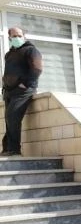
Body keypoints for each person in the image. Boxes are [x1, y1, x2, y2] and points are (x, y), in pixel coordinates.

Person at [2, 27, 43, 156]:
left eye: (19, 35)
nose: (17, 38)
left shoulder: (31, 50)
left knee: (12, 117)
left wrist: (25, 84)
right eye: (14, 36)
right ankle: (7, 148)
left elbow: (37, 68)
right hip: (9, 91)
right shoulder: (9, 54)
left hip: (23, 91)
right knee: (8, 119)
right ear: (9, 38)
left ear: (24, 36)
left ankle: (14, 150)